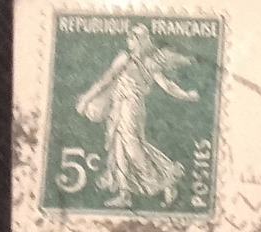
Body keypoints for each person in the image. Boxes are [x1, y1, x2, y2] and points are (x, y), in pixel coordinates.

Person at [74, 23, 200, 208]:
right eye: (129, 38)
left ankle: (164, 180)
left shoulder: (150, 63)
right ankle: (125, 194)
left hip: (132, 107)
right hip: (118, 105)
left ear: (141, 40)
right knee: (118, 148)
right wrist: (87, 98)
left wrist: (186, 95)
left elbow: (166, 85)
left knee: (133, 147)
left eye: (133, 38)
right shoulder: (123, 58)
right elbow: (105, 80)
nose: (129, 42)